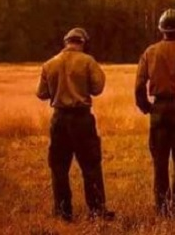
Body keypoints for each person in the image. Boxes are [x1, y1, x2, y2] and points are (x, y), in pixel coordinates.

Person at [36, 27, 115, 222]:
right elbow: (97, 89)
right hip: (82, 119)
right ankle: (97, 211)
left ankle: (63, 212)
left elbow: (41, 93)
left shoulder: (49, 64)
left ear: (66, 42)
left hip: (59, 119)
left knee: (59, 167)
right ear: (83, 42)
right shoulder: (88, 61)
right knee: (91, 166)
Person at [135, 9, 175, 215]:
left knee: (160, 163)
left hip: (159, 110)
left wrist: (146, 107)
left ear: (161, 29)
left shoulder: (150, 52)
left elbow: (139, 85)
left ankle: (162, 207)